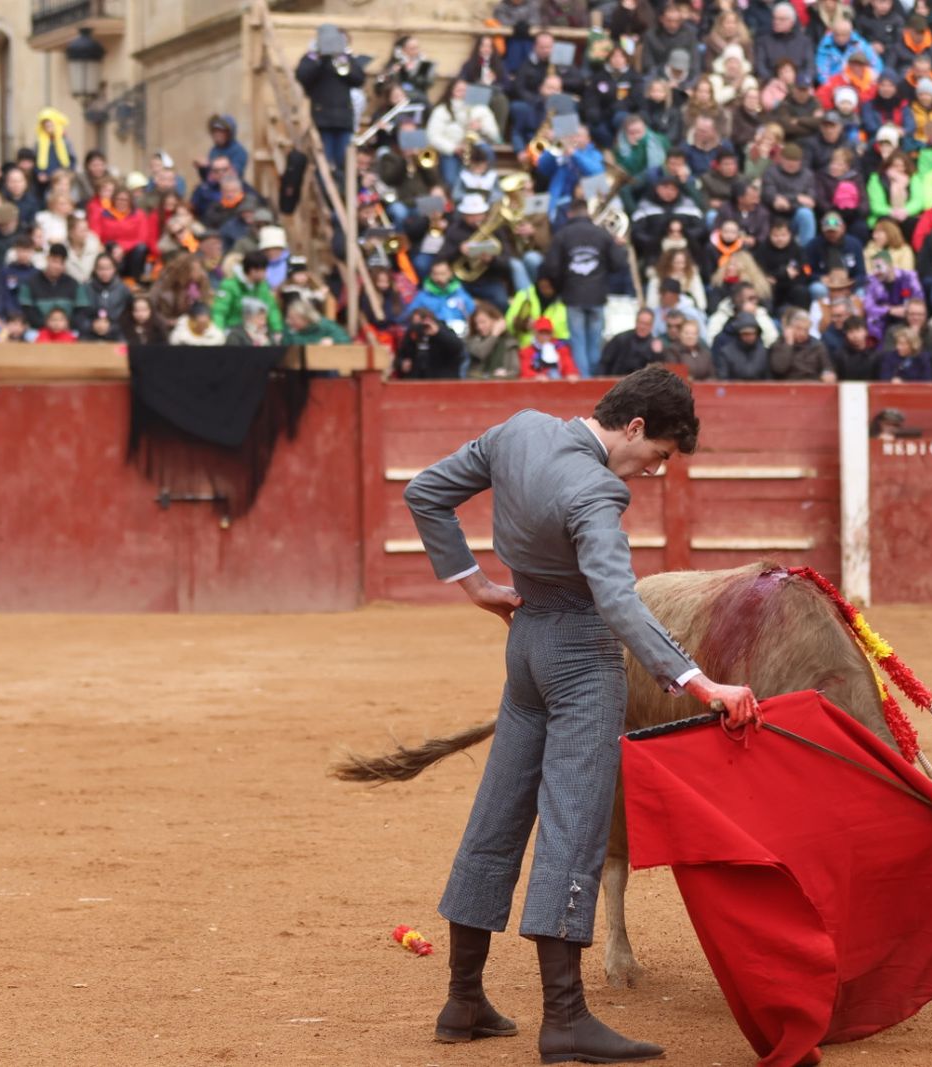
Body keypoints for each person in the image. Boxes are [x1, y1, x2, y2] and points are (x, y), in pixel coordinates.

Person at [403, 366, 759, 1059]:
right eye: (655, 455)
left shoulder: (519, 431)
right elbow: (621, 602)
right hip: (581, 660)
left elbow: (425, 493)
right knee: (573, 823)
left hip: (525, 645)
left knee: (498, 812)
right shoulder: (599, 490)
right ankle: (564, 1017)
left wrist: (475, 584)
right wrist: (700, 682)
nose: (651, 472)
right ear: (632, 428)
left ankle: (464, 996)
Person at [540, 199, 626, 376]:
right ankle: (593, 382)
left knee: (578, 342)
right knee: (594, 343)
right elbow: (618, 264)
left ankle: (584, 381)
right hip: (597, 296)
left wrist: (561, 286)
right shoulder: (602, 234)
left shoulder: (562, 235)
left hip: (573, 296)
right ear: (587, 212)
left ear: (570, 213)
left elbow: (552, 268)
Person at [295, 25, 368, 174]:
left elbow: (359, 79)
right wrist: (320, 59)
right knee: (324, 162)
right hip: (323, 119)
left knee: (343, 161)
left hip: (343, 119)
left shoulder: (345, 58)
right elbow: (303, 77)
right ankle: (326, 193)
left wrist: (344, 60)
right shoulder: (312, 58)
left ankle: (341, 191)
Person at [394, 306, 467, 379]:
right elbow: (400, 355)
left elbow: (458, 347)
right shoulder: (412, 334)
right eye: (415, 324)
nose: (419, 327)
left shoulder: (444, 330)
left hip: (442, 380)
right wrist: (402, 363)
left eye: (421, 323)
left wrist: (438, 333)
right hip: (417, 380)